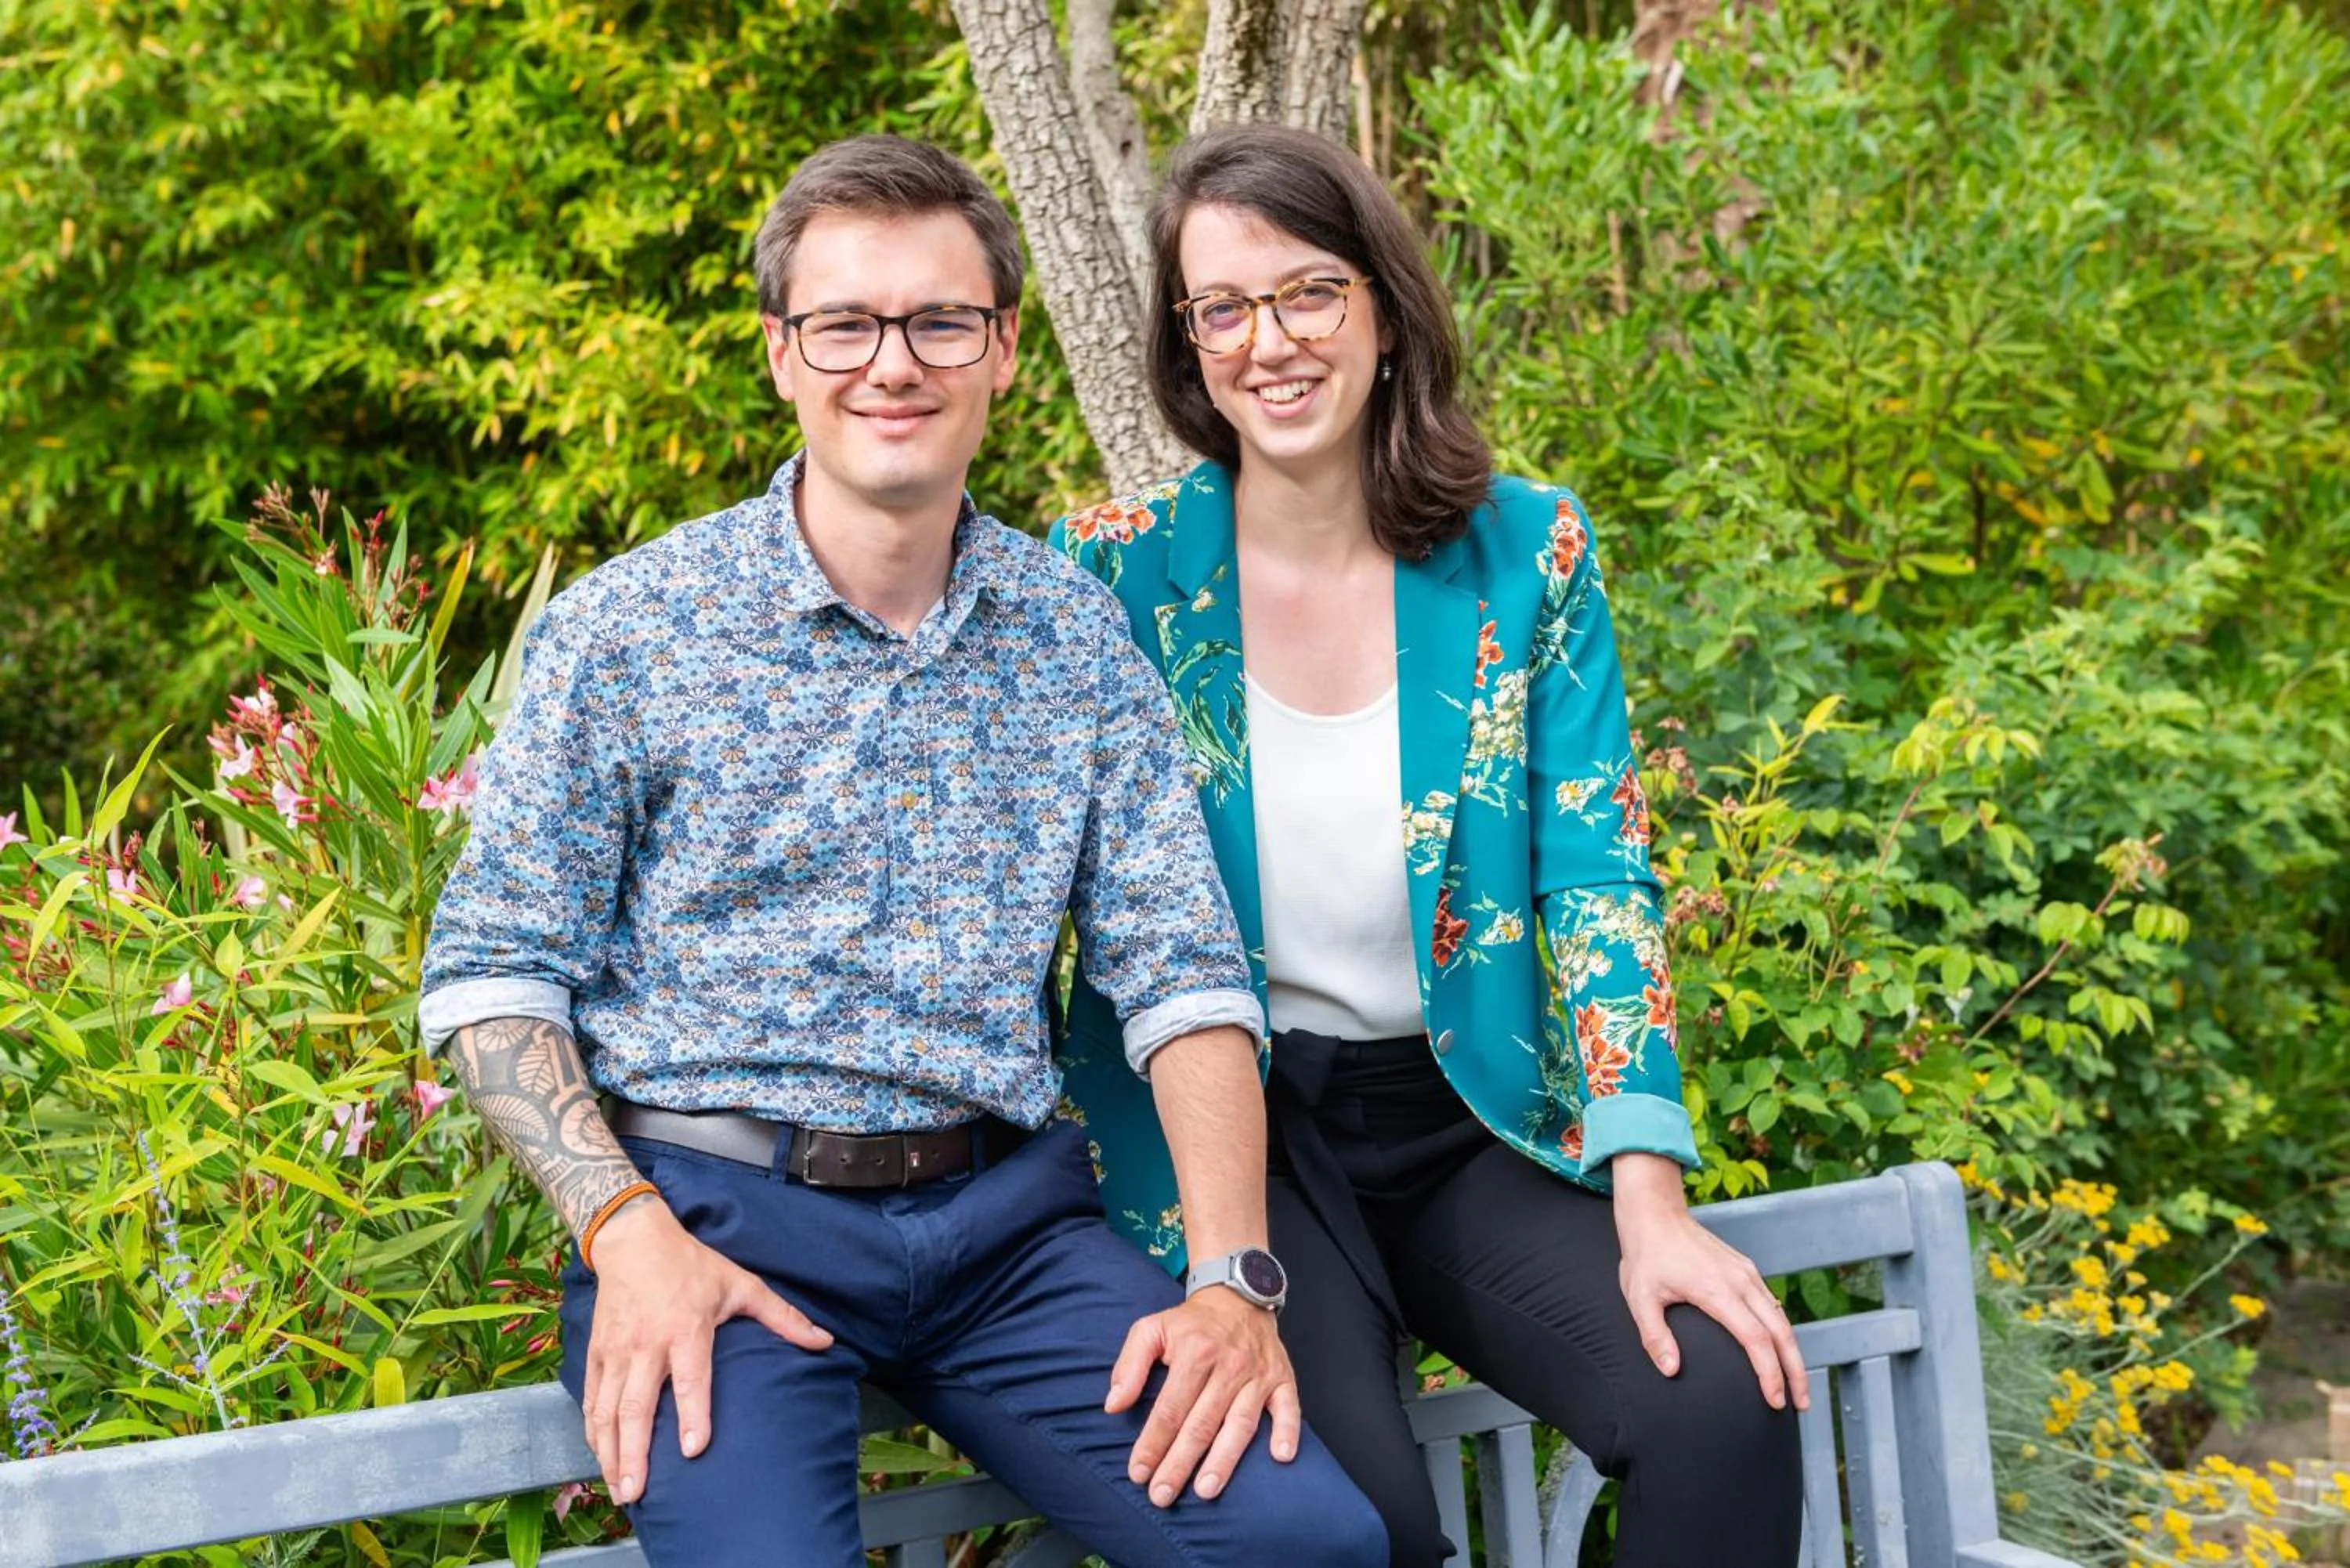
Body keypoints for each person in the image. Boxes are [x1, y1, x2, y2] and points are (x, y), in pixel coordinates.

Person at [418, 133, 1385, 1568]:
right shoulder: (627, 633)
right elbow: (491, 977)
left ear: (1001, 349)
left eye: (940, 321)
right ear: (779, 353)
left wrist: (1234, 1273)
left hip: (1010, 1236)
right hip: (716, 1218)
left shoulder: (1075, 639)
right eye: (845, 324)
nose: (894, 364)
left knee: (1307, 1543)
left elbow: (1183, 976)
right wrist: (627, 1235)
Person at [1050, 124, 1808, 1568]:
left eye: (1310, 292)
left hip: (1471, 1117)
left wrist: (1650, 1195)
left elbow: (1595, 874)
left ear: (1386, 310)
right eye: (1222, 307)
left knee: (1722, 1403)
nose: (1267, 341)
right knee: (1356, 1526)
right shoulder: (1111, 569)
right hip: (1237, 1138)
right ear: (1185, 343)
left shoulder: (1531, 553)